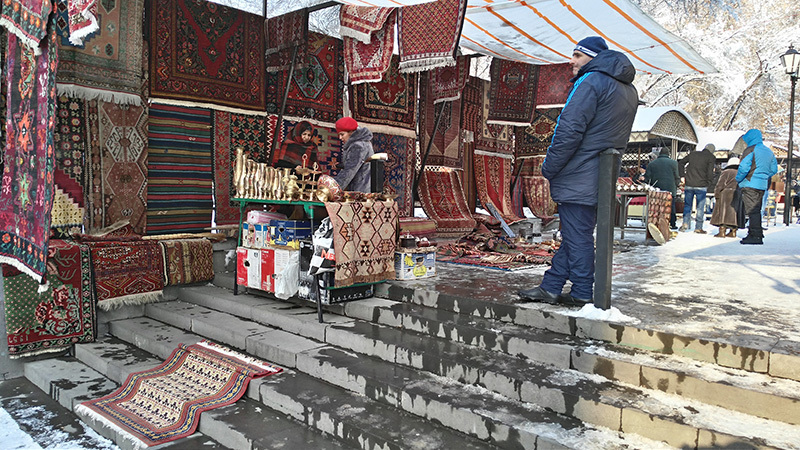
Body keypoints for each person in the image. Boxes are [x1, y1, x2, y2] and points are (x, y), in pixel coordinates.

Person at [517, 36, 638, 306]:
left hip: (579, 172)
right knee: (575, 235)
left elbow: (569, 129)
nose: (572, 61)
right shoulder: (628, 90)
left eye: (578, 56)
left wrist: (550, 167)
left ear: (594, 58)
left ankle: (583, 290)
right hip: (601, 174)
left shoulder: (592, 81)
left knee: (578, 237)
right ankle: (551, 286)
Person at [736, 128, 778, 245]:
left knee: (752, 210)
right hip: (762, 185)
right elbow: (774, 169)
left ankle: (755, 235)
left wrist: (738, 179)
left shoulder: (750, 150)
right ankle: (754, 233)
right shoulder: (768, 151)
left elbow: (743, 167)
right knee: (756, 209)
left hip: (750, 183)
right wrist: (763, 176)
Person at [679, 143, 716, 233]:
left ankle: (685, 223)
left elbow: (681, 163)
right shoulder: (711, 157)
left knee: (687, 205)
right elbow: (710, 172)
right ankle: (698, 227)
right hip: (701, 185)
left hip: (689, 183)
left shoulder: (693, 154)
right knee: (700, 207)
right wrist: (709, 183)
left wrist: (682, 176)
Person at [334, 117, 374, 193]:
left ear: (351, 132)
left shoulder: (358, 146)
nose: (340, 138)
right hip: (361, 186)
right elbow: (357, 163)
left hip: (360, 189)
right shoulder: (361, 143)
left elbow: (350, 170)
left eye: (342, 134)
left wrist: (333, 188)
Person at [645, 147, 680, 229]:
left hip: (657, 188)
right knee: (670, 206)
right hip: (670, 188)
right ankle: (672, 223)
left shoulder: (652, 164)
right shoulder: (674, 163)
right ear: (668, 154)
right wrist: (676, 185)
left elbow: (647, 177)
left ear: (660, 154)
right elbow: (676, 177)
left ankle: (655, 222)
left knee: (656, 206)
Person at [709, 156, 740, 238]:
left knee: (723, 212)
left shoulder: (726, 172)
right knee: (734, 213)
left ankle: (722, 231)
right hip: (738, 193)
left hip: (726, 193)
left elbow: (720, 184)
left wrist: (717, 194)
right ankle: (733, 231)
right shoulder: (741, 172)